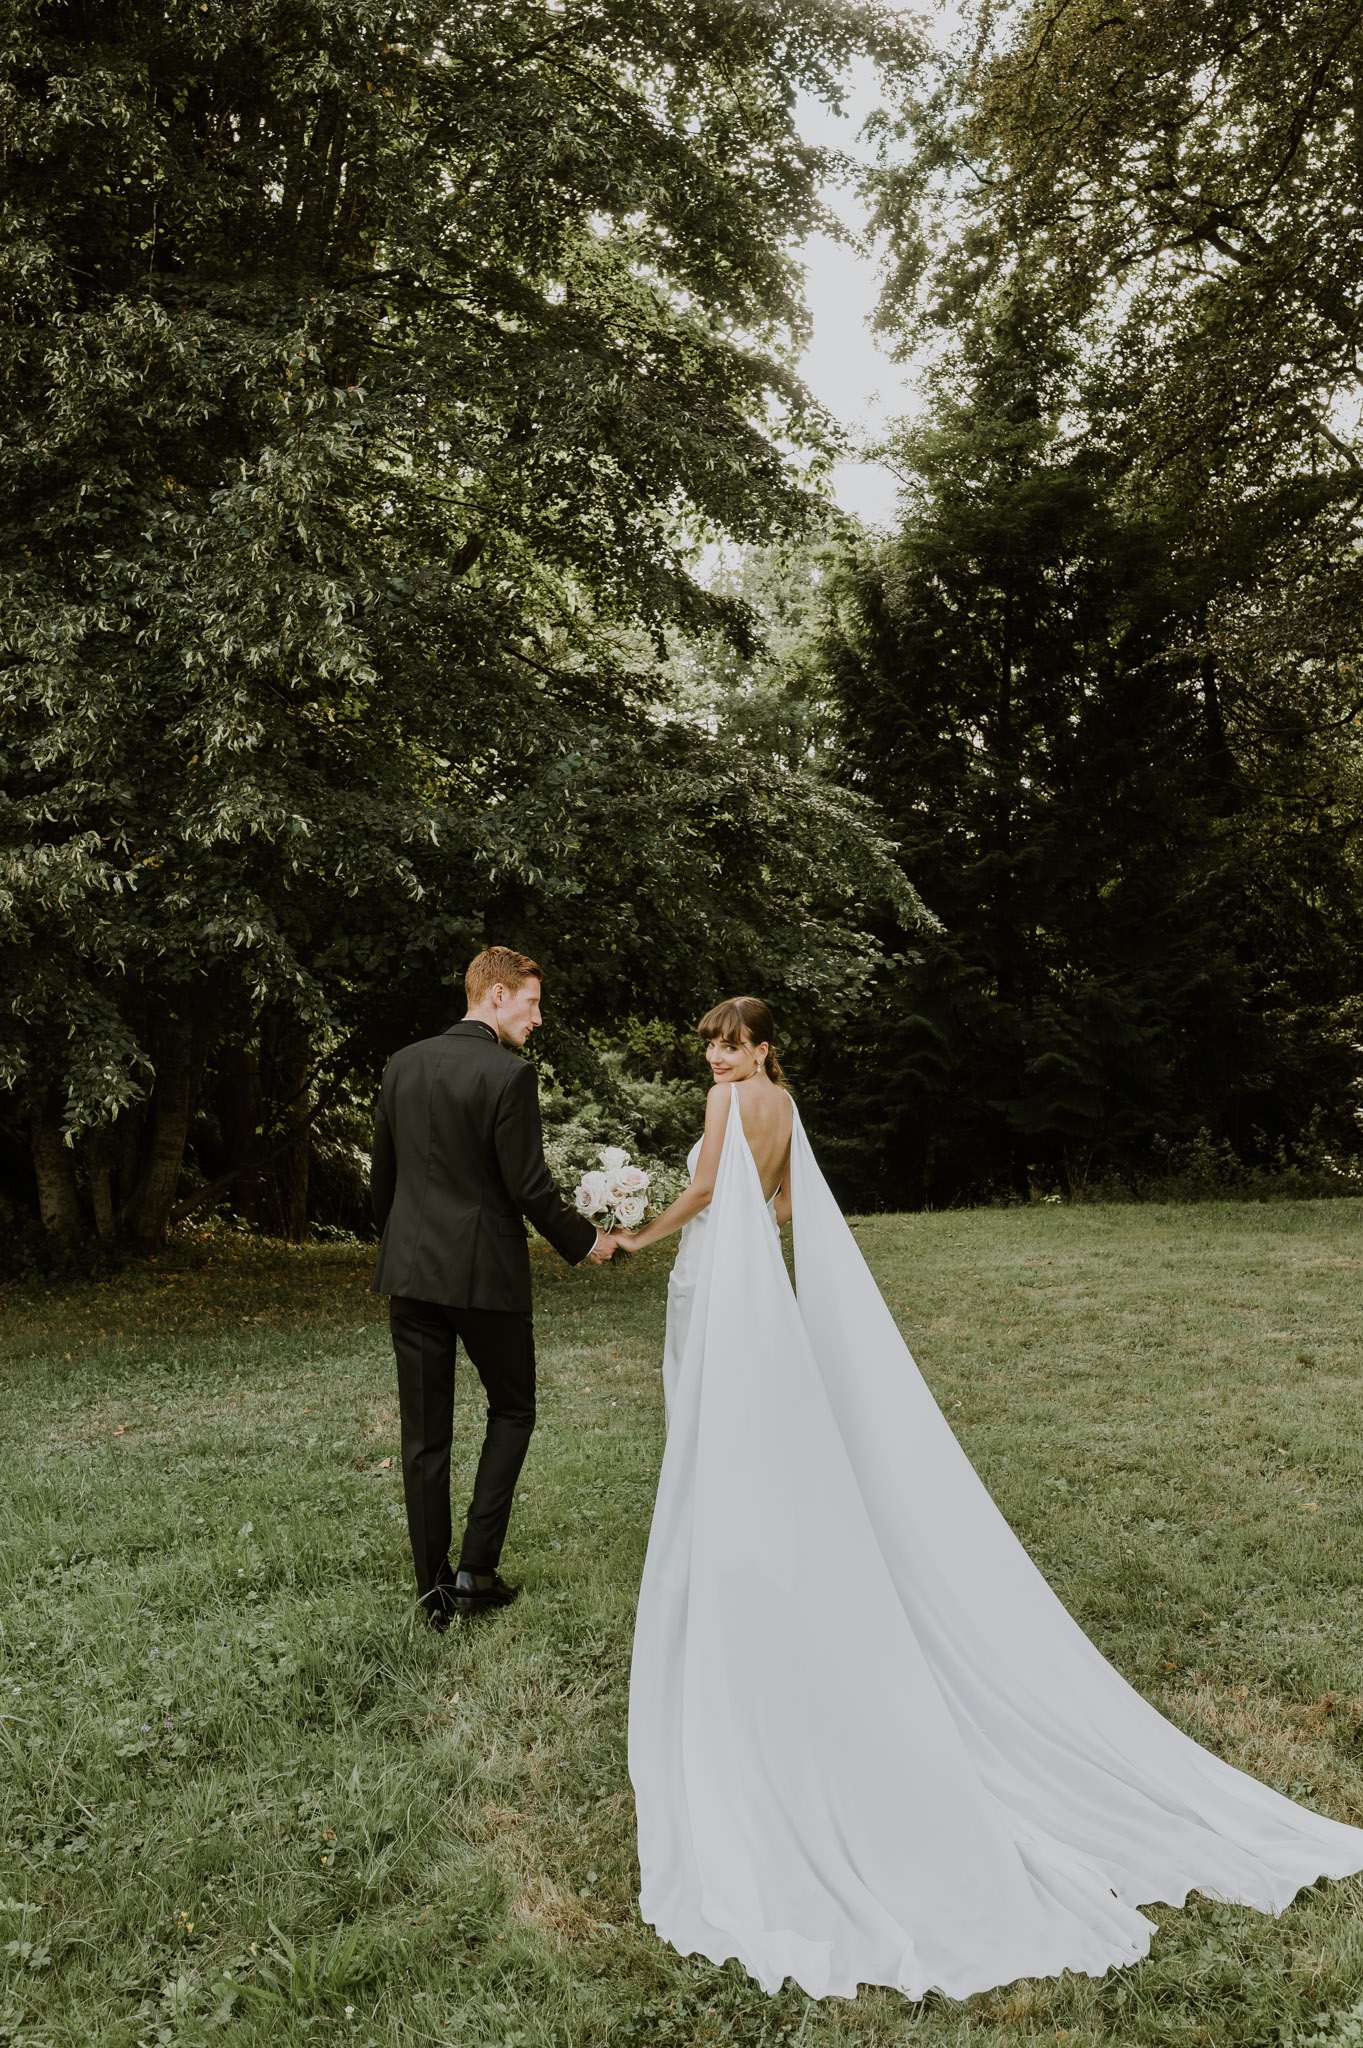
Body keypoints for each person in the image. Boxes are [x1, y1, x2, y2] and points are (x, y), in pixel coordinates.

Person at [613, 995, 1363, 2004]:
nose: (716, 1057)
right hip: (765, 1290)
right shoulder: (784, 1110)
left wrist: (637, 1231)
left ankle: (735, 1552)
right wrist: (733, 1220)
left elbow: (708, 1190)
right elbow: (785, 1209)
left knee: (716, 1420)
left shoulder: (726, 1108)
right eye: (708, 1043)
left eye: (729, 1042)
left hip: (715, 1281)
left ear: (760, 1045)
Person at [369, 946, 617, 1628]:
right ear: (497, 996)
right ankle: (476, 1568)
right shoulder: (508, 1076)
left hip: (410, 1275)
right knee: (511, 1409)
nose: (537, 1019)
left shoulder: (402, 1065)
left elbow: (382, 1180)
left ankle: (432, 1595)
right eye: (532, 1003)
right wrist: (586, 1240)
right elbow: (528, 1186)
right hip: (482, 1276)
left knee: (423, 1436)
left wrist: (397, 1246)